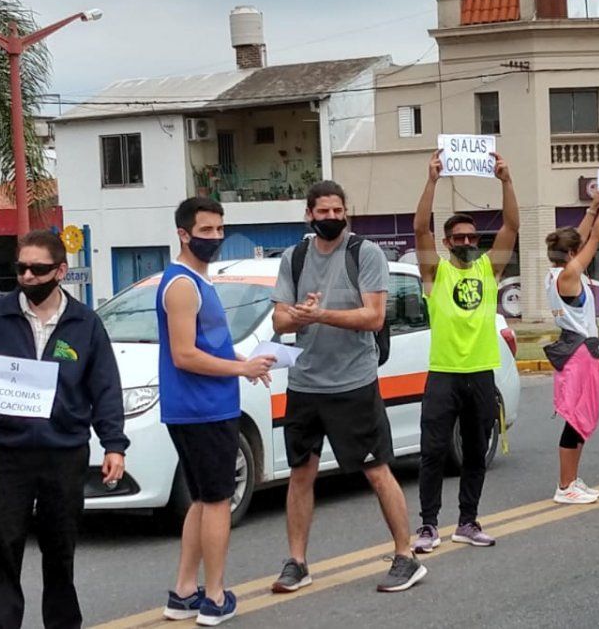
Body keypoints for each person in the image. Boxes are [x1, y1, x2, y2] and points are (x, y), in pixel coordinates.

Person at [0, 229, 128, 629]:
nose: (28, 276)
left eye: (38, 268)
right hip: (6, 455)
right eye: (21, 268)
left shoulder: (85, 323)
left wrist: (114, 445)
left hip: (63, 454)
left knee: (59, 550)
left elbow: (105, 388)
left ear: (60, 270)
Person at [270, 181, 426, 593]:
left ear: (345, 212)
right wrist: (302, 316)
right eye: (322, 212)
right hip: (305, 383)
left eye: (337, 210)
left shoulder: (365, 253)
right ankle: (297, 562)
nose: (331, 218)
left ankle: (405, 556)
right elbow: (279, 321)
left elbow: (373, 317)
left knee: (376, 470)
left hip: (353, 383)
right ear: (309, 215)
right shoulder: (295, 257)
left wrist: (320, 313)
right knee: (301, 473)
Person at [157, 198, 276, 625]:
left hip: (201, 407)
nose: (215, 238)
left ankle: (184, 591)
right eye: (205, 231)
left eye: (219, 230)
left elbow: (206, 346)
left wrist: (244, 359)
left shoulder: (196, 281)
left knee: (203, 500)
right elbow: (185, 354)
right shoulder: (184, 285)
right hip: (203, 409)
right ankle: (214, 595)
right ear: (183, 234)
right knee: (218, 501)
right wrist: (240, 368)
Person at [412, 150, 519, 553]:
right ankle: (427, 526)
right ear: (447, 242)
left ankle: (468, 521)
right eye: (459, 238)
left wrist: (506, 181)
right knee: (434, 452)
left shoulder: (489, 269)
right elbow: (420, 227)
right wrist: (432, 181)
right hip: (443, 374)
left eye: (473, 237)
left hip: (480, 373)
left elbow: (511, 224)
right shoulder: (434, 272)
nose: (467, 242)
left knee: (475, 451)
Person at [544, 182, 599, 504]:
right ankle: (564, 486)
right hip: (578, 353)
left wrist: (592, 206)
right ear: (572, 254)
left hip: (576, 349)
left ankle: (571, 479)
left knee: (582, 418)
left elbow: (584, 234)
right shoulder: (569, 275)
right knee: (575, 421)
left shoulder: (555, 272)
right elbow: (596, 237)